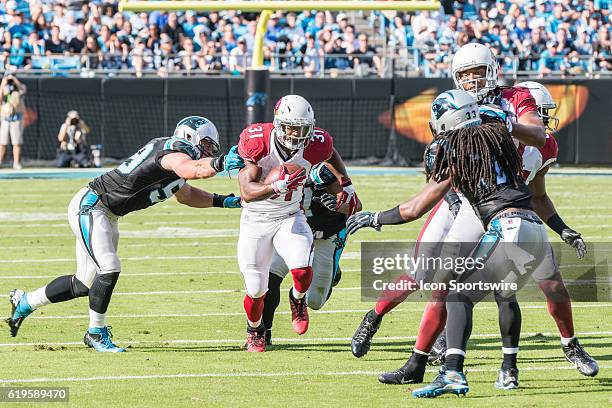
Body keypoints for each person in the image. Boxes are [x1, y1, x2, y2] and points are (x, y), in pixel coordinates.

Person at [347, 90, 555, 398]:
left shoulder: (460, 150)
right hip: (531, 226)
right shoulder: (497, 135)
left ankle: (452, 369)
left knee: (455, 292)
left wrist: (376, 217)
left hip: (502, 224)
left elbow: (415, 207)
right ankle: (506, 369)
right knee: (499, 293)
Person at [6, 116, 245, 352]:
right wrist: (220, 163)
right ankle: (95, 333)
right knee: (109, 267)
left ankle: (25, 302)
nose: (207, 152)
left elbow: (185, 194)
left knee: (83, 283)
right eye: (205, 146)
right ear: (190, 137)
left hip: (107, 213)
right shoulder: (175, 149)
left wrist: (224, 202)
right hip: (92, 205)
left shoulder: (178, 156)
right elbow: (189, 168)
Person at [236, 95, 355, 352]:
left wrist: (345, 183)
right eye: (291, 127)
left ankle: (297, 299)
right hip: (257, 219)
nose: (296, 134)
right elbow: (247, 191)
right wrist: (278, 185)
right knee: (258, 285)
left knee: (304, 274)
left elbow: (330, 154)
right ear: (279, 124)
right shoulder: (258, 142)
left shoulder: (316, 148)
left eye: (303, 129)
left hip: (293, 217)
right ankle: (256, 330)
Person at [262, 161, 360, 345]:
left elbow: (357, 206)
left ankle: (332, 272)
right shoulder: (278, 170)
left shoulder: (323, 172)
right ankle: (263, 334)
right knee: (270, 277)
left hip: (327, 235)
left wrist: (338, 205)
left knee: (315, 301)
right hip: (294, 232)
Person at [0, 74, 26, 169]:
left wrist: (14, 80)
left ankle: (16, 163)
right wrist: (3, 83)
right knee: (2, 142)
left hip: (16, 118)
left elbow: (23, 90)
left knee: (16, 142)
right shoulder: (4, 88)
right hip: (5, 117)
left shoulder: (19, 87)